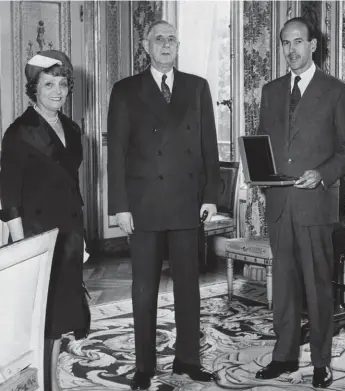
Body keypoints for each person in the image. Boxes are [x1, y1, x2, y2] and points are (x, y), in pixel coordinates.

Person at [107, 20, 220, 390]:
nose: (167, 45)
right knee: (144, 289)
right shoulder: (125, 91)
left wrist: (210, 196)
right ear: (146, 45)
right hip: (143, 205)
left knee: (189, 286)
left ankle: (188, 359)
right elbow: (117, 155)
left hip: (187, 201)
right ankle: (144, 365)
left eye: (172, 39)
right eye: (160, 39)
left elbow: (208, 147)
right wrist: (120, 206)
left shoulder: (197, 87)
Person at [254, 17, 345, 389]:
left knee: (318, 288)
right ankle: (283, 357)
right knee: (283, 287)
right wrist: (257, 172)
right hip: (279, 204)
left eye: (298, 42)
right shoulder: (270, 91)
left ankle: (320, 362)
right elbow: (263, 145)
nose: (291, 50)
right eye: (285, 43)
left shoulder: (337, 91)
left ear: (313, 45)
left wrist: (322, 173)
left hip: (316, 204)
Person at [0, 50, 89, 391]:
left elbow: (72, 189)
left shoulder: (72, 128)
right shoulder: (19, 132)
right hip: (35, 239)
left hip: (67, 238)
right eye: (48, 83)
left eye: (62, 83)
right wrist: (23, 248)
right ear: (34, 88)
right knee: (36, 324)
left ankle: (50, 383)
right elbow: (8, 196)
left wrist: (81, 239)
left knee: (58, 322)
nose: (56, 90)